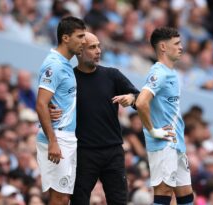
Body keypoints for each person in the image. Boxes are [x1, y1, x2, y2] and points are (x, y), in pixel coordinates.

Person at [50, 32, 139, 205]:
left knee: (119, 201)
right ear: (79, 51)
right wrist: (51, 110)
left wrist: (131, 98)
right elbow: (51, 104)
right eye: (92, 47)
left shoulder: (112, 75)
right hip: (83, 152)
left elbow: (139, 96)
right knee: (79, 201)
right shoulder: (69, 78)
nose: (98, 51)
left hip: (113, 151)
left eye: (99, 46)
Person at [136, 27, 194, 205]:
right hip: (163, 144)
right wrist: (153, 131)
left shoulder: (172, 73)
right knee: (164, 193)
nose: (181, 47)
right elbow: (141, 102)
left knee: (186, 195)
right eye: (176, 44)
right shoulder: (159, 72)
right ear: (163, 47)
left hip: (176, 142)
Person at [35, 16, 86, 205]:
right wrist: (53, 141)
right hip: (57, 137)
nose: (84, 41)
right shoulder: (54, 64)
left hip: (67, 137)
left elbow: (47, 102)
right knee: (58, 197)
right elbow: (41, 103)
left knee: (64, 198)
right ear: (65, 38)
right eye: (80, 36)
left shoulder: (65, 65)